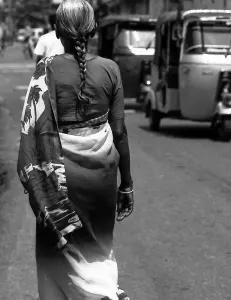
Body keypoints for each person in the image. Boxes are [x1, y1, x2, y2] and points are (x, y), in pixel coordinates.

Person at [17, 1, 134, 299]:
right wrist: (127, 185)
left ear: (57, 32)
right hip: (102, 179)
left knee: (56, 247)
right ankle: (102, 293)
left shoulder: (47, 71)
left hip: (58, 180)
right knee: (98, 249)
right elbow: (119, 133)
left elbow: (34, 128)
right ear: (94, 30)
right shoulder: (110, 69)